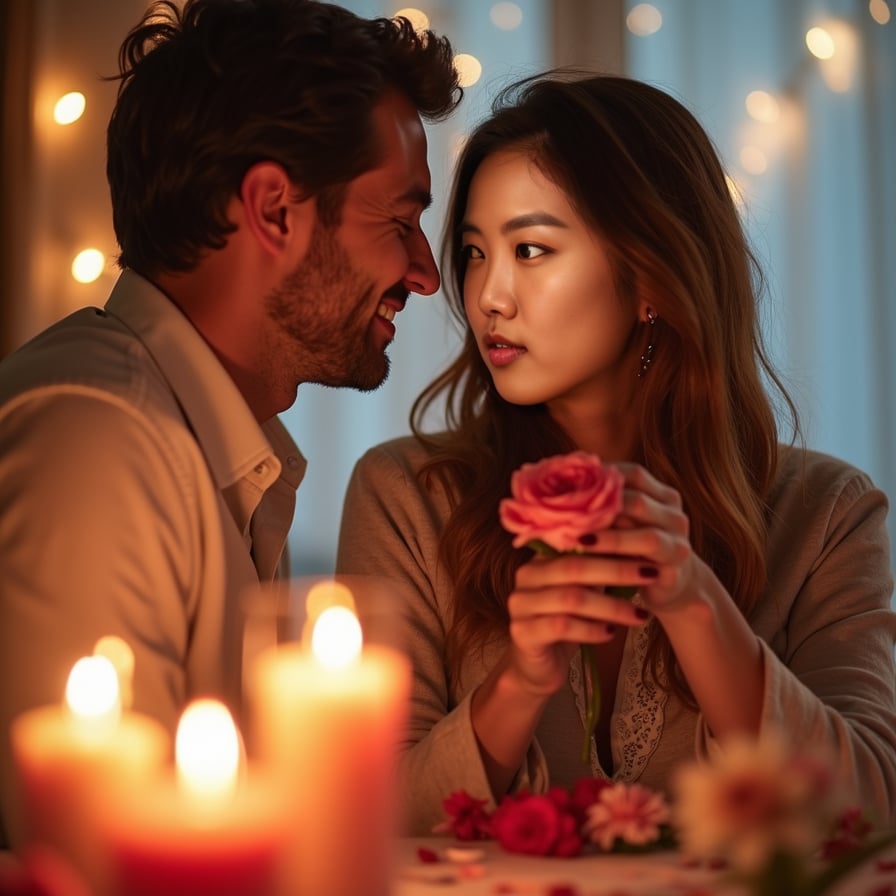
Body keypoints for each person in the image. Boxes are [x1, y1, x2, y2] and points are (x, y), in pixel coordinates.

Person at [336, 71, 896, 836]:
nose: (487, 296)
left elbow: (870, 810)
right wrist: (519, 684)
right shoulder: (406, 497)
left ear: (651, 279)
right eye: (472, 252)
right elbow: (361, 816)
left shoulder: (827, 514)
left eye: (530, 249)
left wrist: (695, 603)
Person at [0, 0, 461, 849]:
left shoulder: (210, 442)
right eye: (400, 221)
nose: (426, 274)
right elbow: (89, 856)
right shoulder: (96, 439)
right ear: (275, 211)